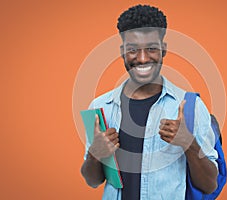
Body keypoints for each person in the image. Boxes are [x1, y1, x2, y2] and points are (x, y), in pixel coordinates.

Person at [81, 4, 218, 200]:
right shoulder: (100, 107)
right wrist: (96, 154)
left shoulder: (190, 107)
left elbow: (209, 185)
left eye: (152, 49)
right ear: (122, 51)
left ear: (163, 50)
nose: (142, 58)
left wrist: (188, 143)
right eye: (133, 50)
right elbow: (92, 181)